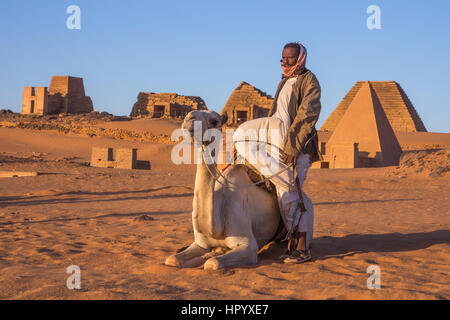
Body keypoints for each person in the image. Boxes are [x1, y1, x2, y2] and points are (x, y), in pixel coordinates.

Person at [232, 42, 321, 264]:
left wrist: (292, 147)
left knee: (290, 194)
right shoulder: (284, 81)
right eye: (282, 57)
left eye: (290, 58)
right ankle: (272, 172)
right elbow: (277, 113)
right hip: (277, 133)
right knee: (240, 135)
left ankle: (302, 248)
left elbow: (307, 116)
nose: (285, 61)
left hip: (295, 140)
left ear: (300, 59)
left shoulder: (309, 81)